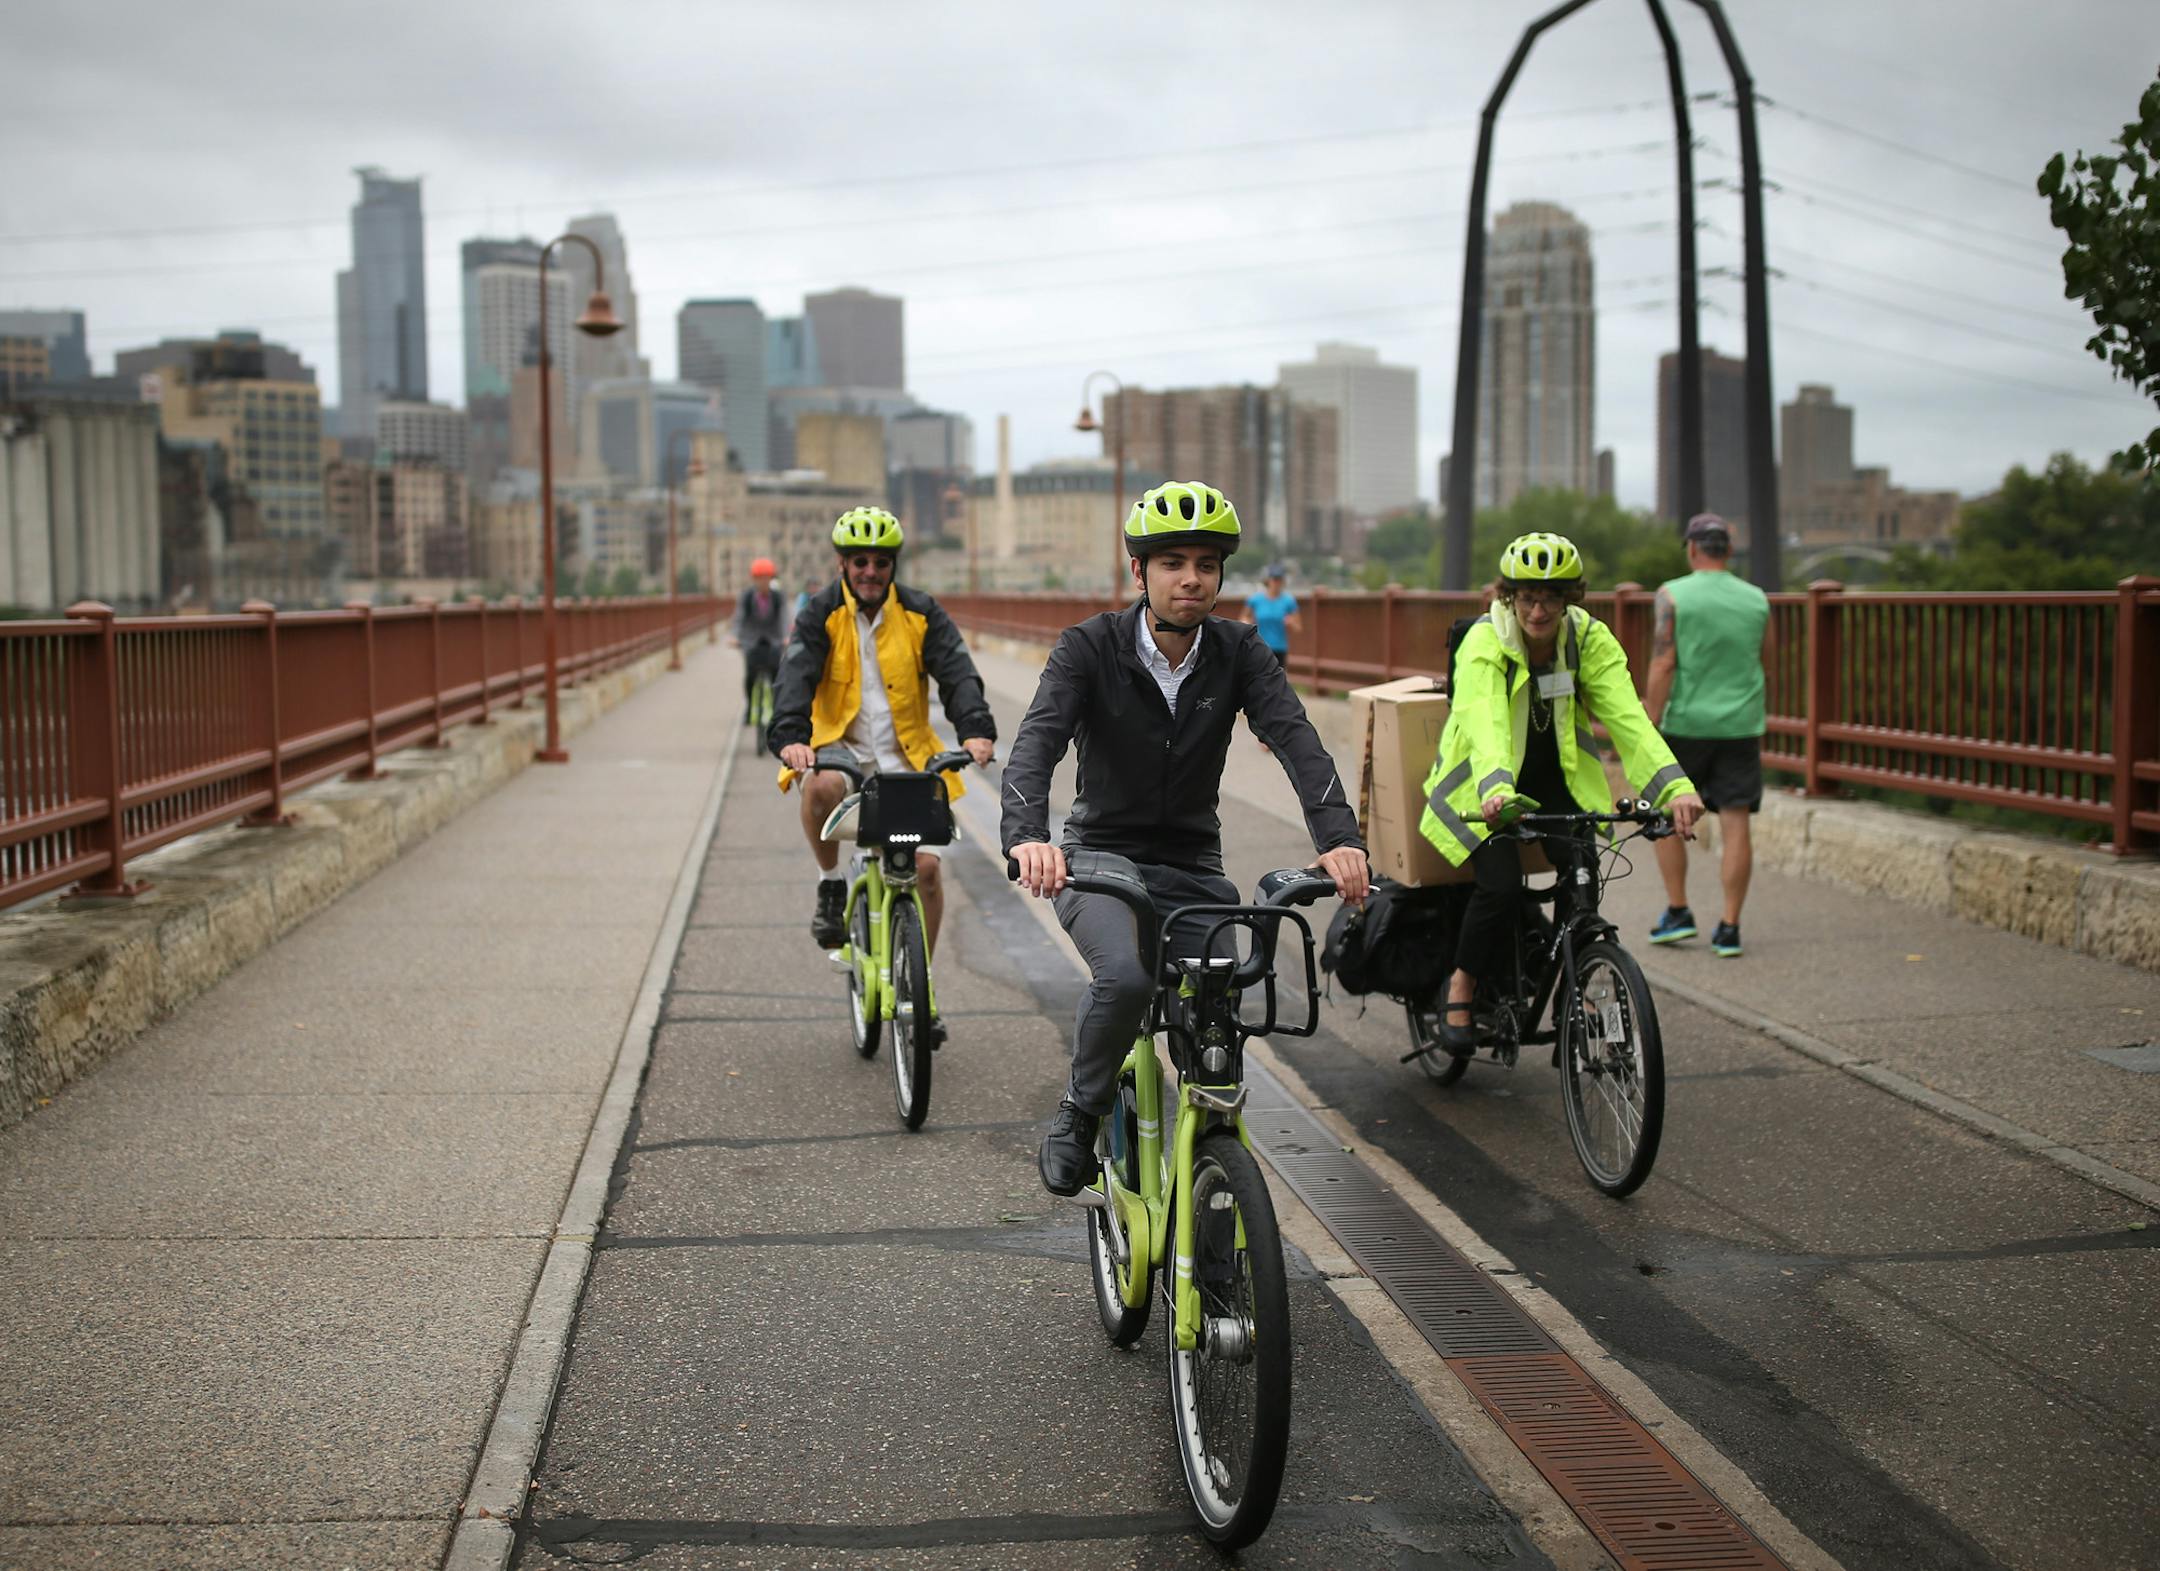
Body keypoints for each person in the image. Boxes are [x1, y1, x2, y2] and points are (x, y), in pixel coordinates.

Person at [1003, 481, 1371, 1196]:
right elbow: (1036, 744)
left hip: (1193, 866)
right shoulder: (1088, 647)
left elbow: (1297, 739)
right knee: (1128, 976)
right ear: (1138, 572)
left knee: (1214, 1015)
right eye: (1172, 562)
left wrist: (1339, 838)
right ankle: (1082, 1109)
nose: (1191, 578)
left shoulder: (1238, 651)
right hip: (1099, 859)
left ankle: (1211, 1180)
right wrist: (1029, 838)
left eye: (1206, 562)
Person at [1421, 531, 1705, 1053]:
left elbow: (1628, 718)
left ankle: (1572, 990)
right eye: (1526, 597)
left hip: (1556, 782)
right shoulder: (1486, 640)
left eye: (1551, 597)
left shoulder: (1588, 639)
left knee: (1582, 871)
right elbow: (1483, 720)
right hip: (1480, 785)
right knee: (1501, 884)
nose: (1537, 610)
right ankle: (1462, 983)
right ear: (1508, 596)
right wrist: (1495, 787)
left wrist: (1675, 788)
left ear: (1570, 597)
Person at [771, 507, 996, 973]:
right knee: (819, 787)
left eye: (881, 562)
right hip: (839, 751)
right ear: (842, 565)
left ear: (894, 565)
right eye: (860, 562)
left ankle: (920, 985)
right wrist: (793, 736)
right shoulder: (820, 613)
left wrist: (974, 730)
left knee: (927, 872)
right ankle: (831, 884)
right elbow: (795, 673)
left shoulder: (920, 611)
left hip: (906, 758)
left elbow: (957, 671)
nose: (870, 572)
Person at [1644, 513, 1773, 958]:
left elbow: (1663, 662)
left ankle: (1678, 911)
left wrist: (1650, 717)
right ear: (1728, 552)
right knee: (1736, 824)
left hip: (1684, 724)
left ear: (1693, 549)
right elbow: (1763, 657)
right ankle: (1729, 926)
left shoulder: (1672, 595)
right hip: (1740, 724)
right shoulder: (1757, 599)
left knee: (1665, 816)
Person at [730, 557, 786, 724]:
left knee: (778, 676)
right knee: (750, 676)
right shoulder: (746, 597)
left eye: (766, 577)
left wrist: (786, 636)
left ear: (771, 578)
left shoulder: (778, 597)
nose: (763, 581)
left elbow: (784, 618)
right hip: (751, 640)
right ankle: (749, 708)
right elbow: (738, 618)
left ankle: (777, 712)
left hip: (774, 640)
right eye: (759, 578)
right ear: (754, 579)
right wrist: (734, 637)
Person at [1242, 562, 1302, 669]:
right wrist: (1247, 624)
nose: (1276, 583)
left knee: (1277, 682)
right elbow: (1244, 617)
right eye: (1274, 579)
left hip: (1279, 648)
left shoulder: (1289, 601)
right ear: (1268, 580)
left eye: (1279, 580)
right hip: (1260, 646)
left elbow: (1298, 628)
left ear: (1283, 582)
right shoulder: (1255, 599)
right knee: (1259, 679)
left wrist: (1290, 622)